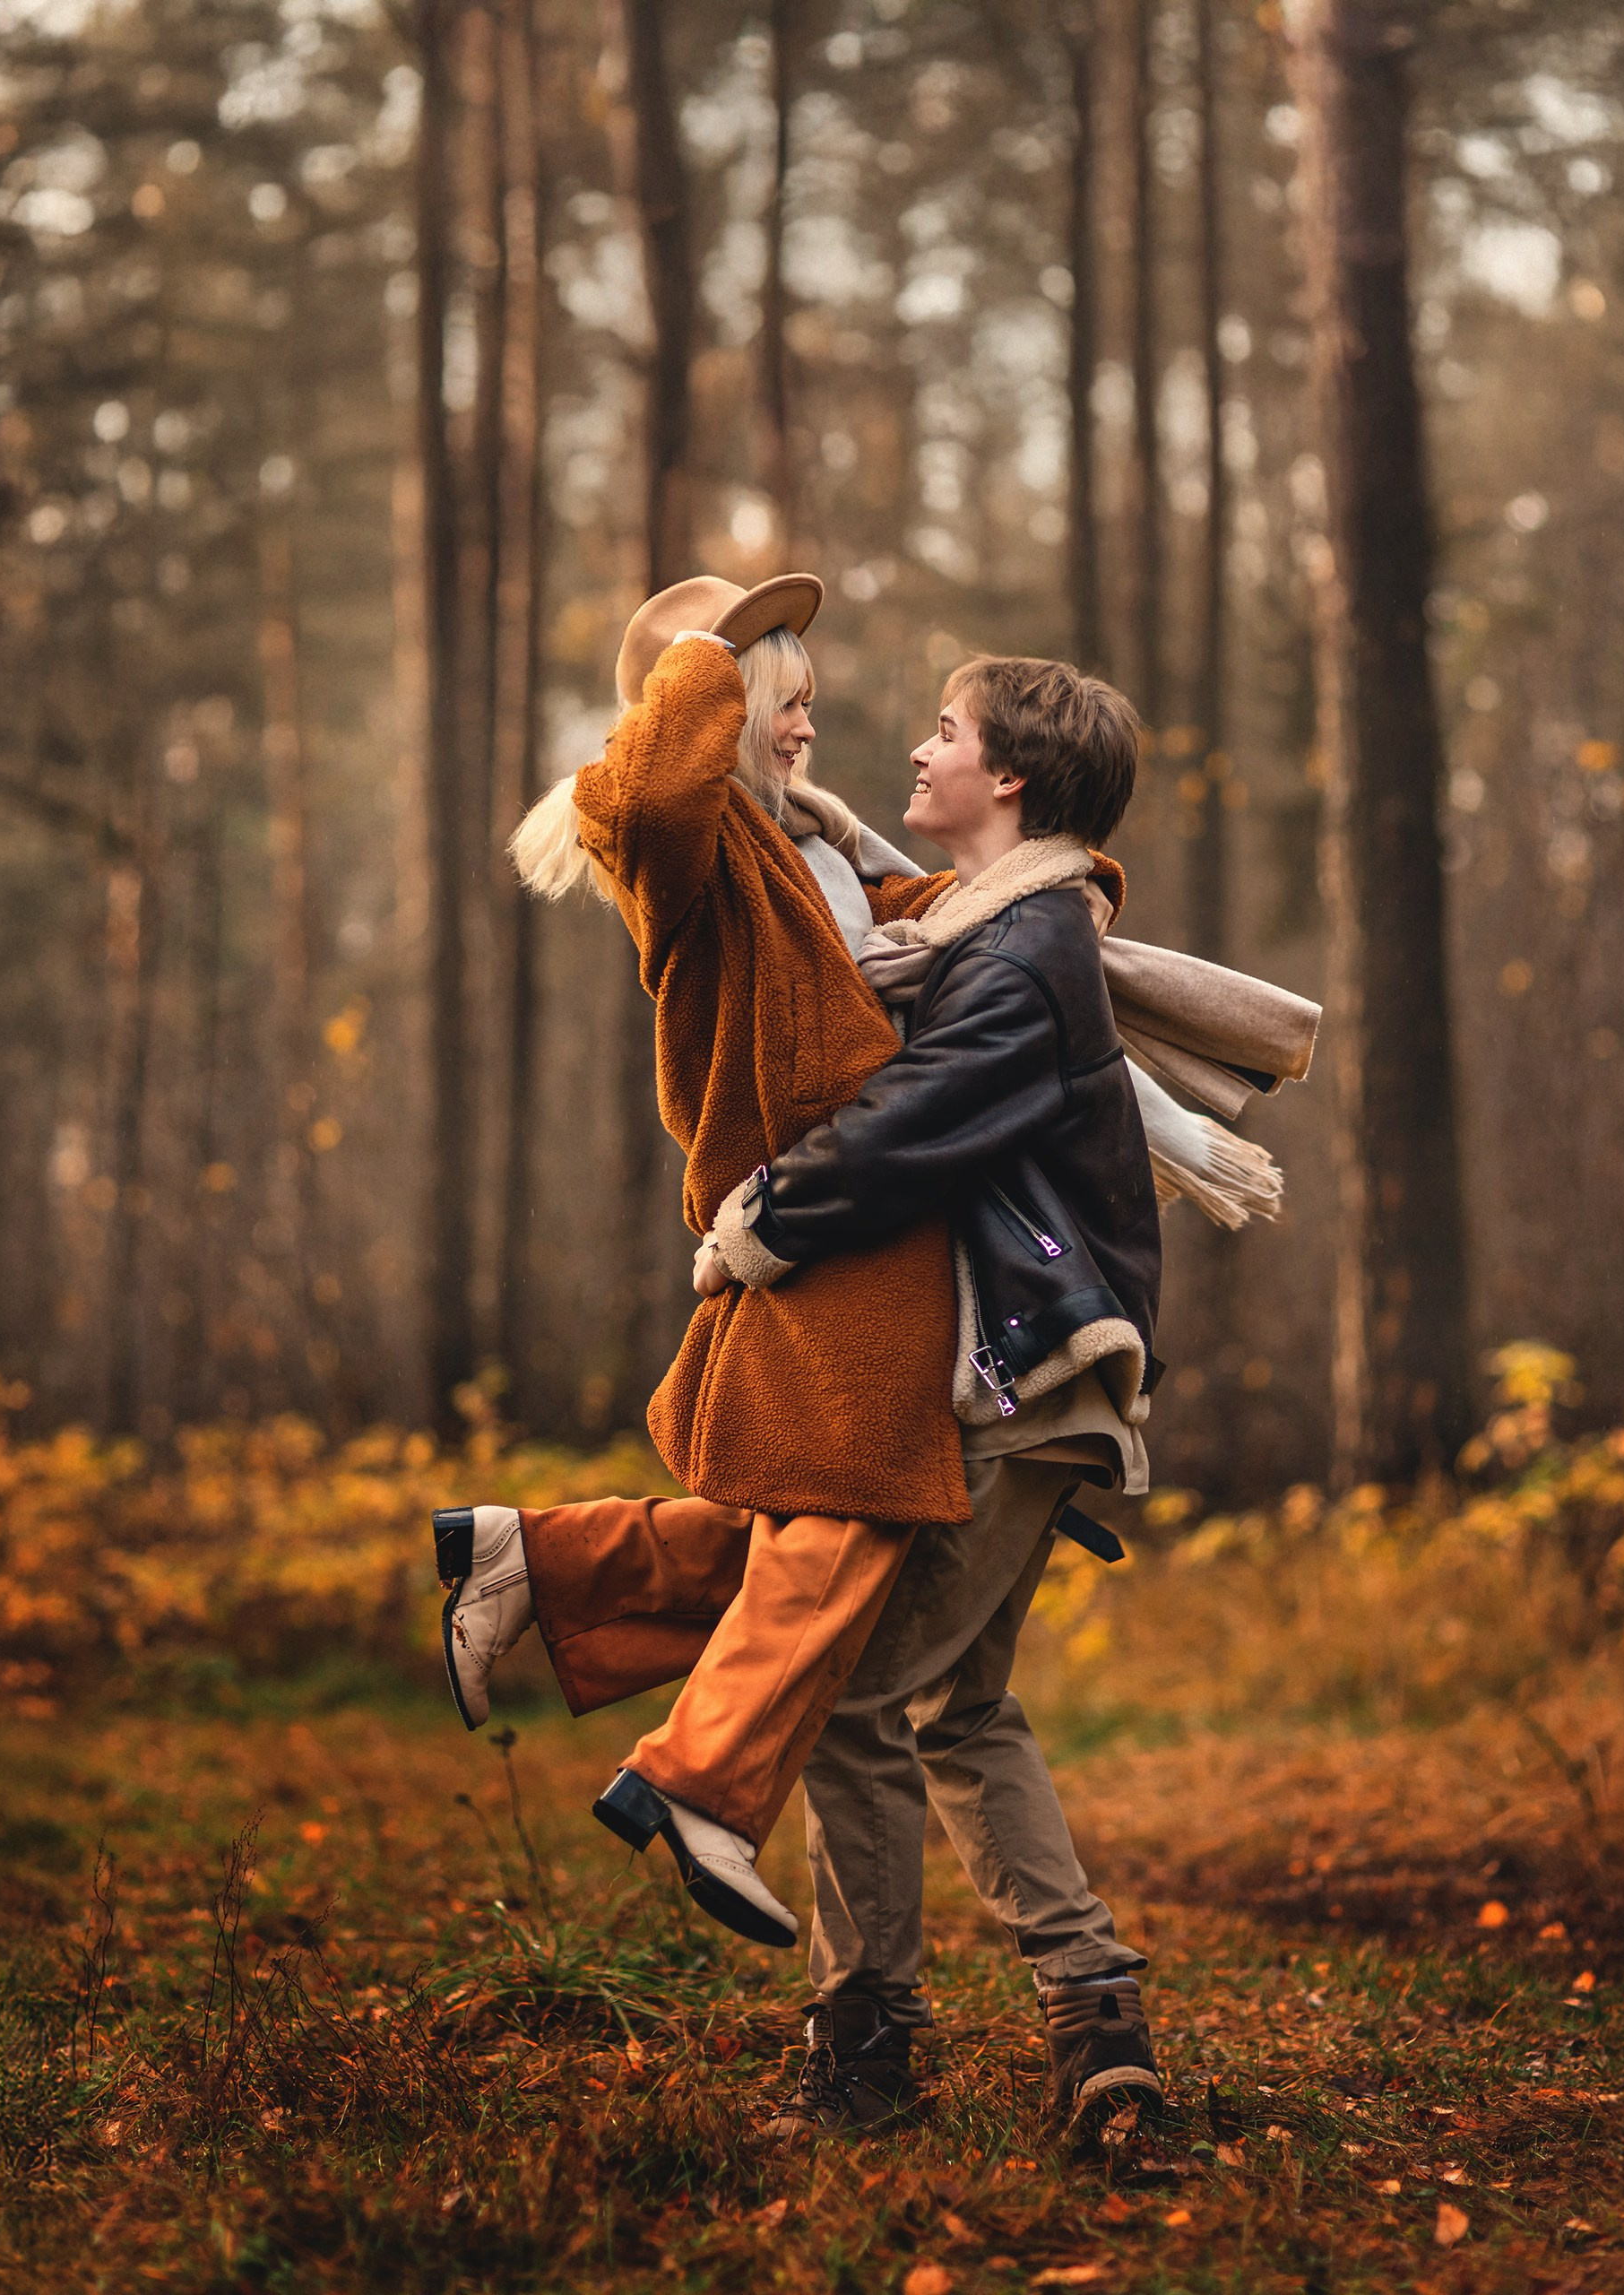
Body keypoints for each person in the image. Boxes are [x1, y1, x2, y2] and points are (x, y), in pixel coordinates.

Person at [438, 573, 972, 1952]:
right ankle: (699, 1783)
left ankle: (543, 1563)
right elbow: (651, 783)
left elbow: (959, 926)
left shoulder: (816, 849)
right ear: (715, 703)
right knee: (853, 1512)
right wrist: (708, 649)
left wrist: (1065, 884)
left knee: (814, 1519)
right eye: (782, 701)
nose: (805, 727)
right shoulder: (679, 846)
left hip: (864, 1205)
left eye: (805, 703)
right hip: (819, 1206)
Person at [691, 655, 1184, 2142]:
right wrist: (836, 836)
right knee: (957, 1706)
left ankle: (868, 2046)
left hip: (1031, 1375)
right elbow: (908, 927)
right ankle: (1094, 2021)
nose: (919, 749)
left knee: (853, 1692)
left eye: (947, 733)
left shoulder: (1024, 953)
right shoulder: (1006, 925)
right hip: (1040, 1375)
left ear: (1010, 775)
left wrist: (765, 1218)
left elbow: (915, 1122)